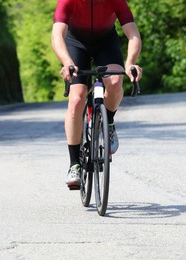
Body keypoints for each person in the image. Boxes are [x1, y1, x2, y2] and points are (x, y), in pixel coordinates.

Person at [51, 0, 142, 189]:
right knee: (77, 99)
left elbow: (132, 34)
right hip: (76, 43)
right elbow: (57, 34)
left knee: (115, 82)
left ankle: (108, 122)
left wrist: (130, 62)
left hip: (105, 43)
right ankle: (74, 163)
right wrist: (67, 62)